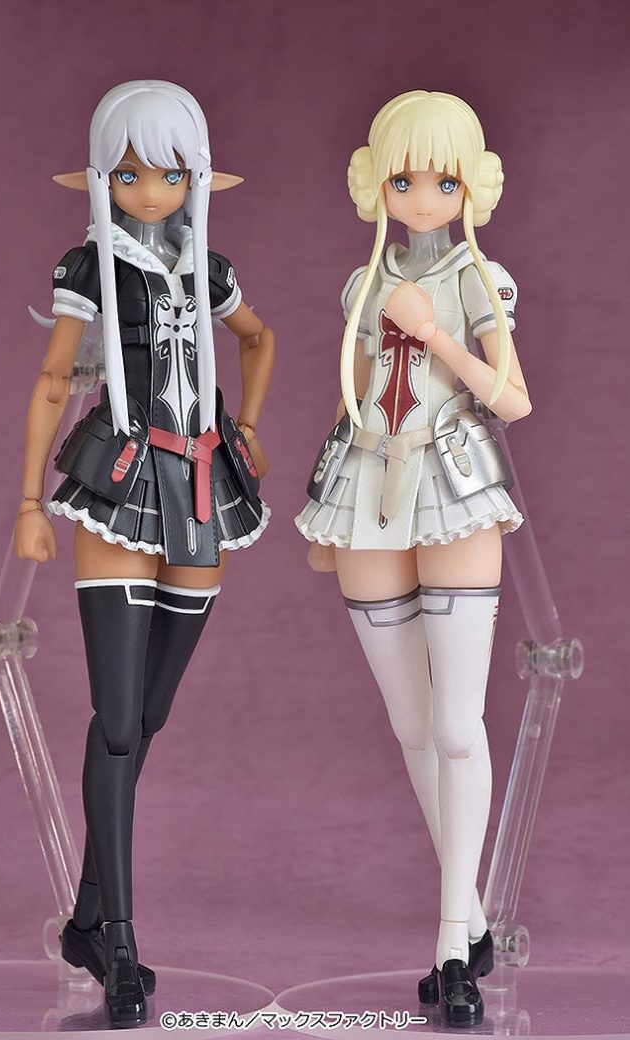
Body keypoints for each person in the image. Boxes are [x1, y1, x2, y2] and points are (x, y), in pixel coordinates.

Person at [14, 80, 274, 1026]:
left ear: (195, 176)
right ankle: (118, 941)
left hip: (201, 483)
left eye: (168, 173)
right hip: (119, 481)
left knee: (148, 717)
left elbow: (258, 338)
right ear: (103, 178)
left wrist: (247, 428)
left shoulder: (210, 267)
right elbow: (54, 379)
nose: (152, 190)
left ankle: (87, 918)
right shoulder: (91, 264)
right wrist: (27, 501)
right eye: (131, 174)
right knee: (117, 722)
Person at [295, 90, 531, 1027]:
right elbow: (351, 398)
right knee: (410, 724)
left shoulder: (480, 279)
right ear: (376, 185)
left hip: (456, 484)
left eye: (441, 180)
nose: (422, 197)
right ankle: (469, 919)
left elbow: (510, 399)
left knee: (458, 728)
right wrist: (325, 509)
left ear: (470, 185)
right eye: (404, 180)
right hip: (366, 489)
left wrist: (432, 333)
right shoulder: (362, 283)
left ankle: (449, 945)